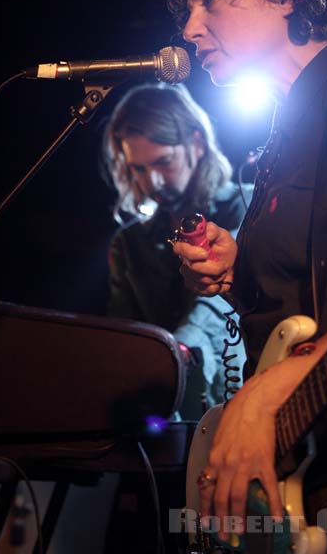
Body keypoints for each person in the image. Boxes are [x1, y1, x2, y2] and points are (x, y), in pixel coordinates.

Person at [164, 0, 327, 550]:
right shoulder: (277, 140)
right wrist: (237, 267)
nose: (189, 28)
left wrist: (265, 395)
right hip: (306, 474)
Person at [104, 82, 251, 420]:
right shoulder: (128, 244)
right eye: (138, 169)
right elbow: (120, 331)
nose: (152, 182)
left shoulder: (247, 206)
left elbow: (214, 296)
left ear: (197, 144)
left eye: (163, 162)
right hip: (162, 424)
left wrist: (178, 349)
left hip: (237, 412)